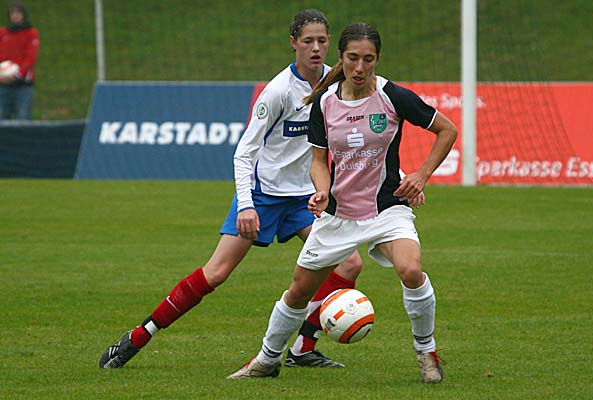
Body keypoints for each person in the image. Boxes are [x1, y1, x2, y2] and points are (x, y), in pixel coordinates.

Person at [99, 10, 425, 371]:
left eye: (322, 40)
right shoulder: (279, 91)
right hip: (264, 194)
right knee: (216, 273)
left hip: (306, 197)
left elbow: (365, 142)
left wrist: (402, 178)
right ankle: (139, 335)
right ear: (293, 43)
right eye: (308, 41)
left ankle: (302, 348)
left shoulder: (338, 83)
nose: (316, 48)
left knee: (350, 264)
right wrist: (246, 205)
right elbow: (244, 152)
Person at [227, 22, 457, 383]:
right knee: (298, 291)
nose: (360, 67)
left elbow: (447, 130)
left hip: (386, 208)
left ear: (377, 59)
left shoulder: (392, 95)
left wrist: (421, 175)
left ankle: (426, 353)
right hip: (338, 215)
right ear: (341, 57)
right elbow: (319, 161)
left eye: (368, 59)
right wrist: (321, 190)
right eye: (353, 58)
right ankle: (267, 360)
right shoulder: (324, 102)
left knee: (411, 271)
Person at [0, 1, 39, 120]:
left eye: (18, 13)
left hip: (23, 85)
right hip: (3, 85)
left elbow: (30, 57)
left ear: (23, 15)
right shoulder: (2, 33)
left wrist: (17, 74)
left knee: (23, 117)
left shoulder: (31, 33)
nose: (15, 16)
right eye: (13, 13)